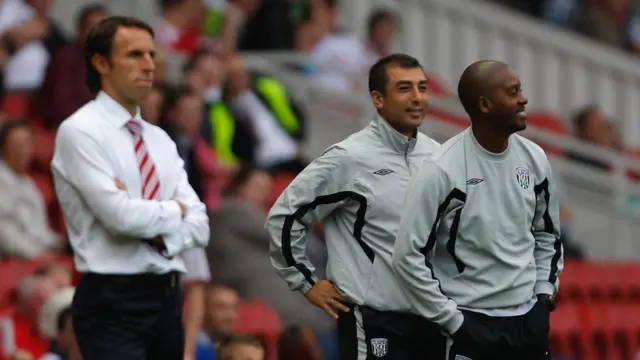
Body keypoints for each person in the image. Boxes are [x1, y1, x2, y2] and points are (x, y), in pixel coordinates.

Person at [50, 16, 209, 360]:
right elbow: (120, 217)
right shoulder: (80, 131)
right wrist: (174, 211)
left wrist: (163, 236)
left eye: (152, 55)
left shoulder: (161, 140)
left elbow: (200, 224)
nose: (150, 65)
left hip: (168, 296)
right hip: (113, 297)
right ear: (101, 63)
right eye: (135, 54)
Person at [266, 53, 441, 359]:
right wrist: (306, 282)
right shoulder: (349, 157)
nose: (417, 98)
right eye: (404, 88)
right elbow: (285, 217)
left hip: (432, 320)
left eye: (422, 88)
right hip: (372, 321)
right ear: (378, 99)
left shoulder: (439, 155)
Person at [392, 60, 564, 360]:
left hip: (528, 322)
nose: (523, 99)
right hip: (470, 322)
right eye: (512, 93)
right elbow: (407, 257)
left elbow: (547, 235)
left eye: (520, 90)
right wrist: (453, 320)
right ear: (485, 104)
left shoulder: (534, 158)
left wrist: (543, 293)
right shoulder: (441, 170)